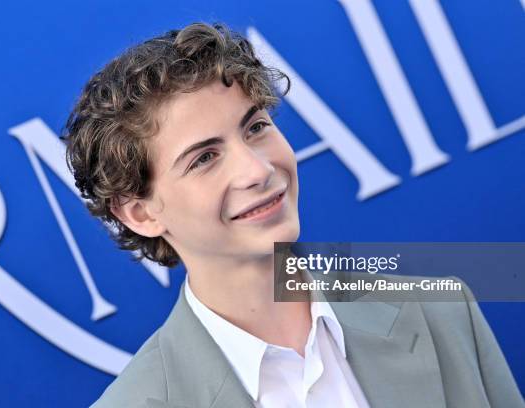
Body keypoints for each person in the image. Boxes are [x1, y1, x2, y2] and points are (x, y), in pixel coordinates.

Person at [62, 22, 523, 408]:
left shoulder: (440, 310)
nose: (257, 169)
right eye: (204, 158)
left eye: (256, 127)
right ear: (141, 214)